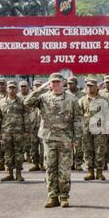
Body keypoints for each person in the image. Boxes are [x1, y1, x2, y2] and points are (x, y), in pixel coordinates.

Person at [24, 73, 82, 208]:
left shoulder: (72, 99)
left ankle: (64, 197)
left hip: (65, 139)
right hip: (49, 139)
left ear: (63, 83)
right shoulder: (43, 98)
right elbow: (27, 102)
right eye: (52, 82)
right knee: (50, 168)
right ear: (49, 84)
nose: (55, 84)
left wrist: (76, 138)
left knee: (64, 169)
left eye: (57, 81)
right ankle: (52, 196)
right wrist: (42, 88)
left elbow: (78, 120)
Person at [0, 81, 30, 182]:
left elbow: (26, 117)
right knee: (7, 154)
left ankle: (18, 174)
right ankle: (9, 173)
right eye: (10, 88)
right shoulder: (2, 102)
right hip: (6, 132)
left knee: (19, 153)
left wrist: (27, 131)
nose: (11, 90)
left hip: (19, 133)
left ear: (16, 89)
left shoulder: (21, 101)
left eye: (13, 88)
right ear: (7, 89)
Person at [79, 78, 108, 180]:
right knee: (87, 150)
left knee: (100, 150)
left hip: (99, 129)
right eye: (88, 86)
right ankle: (90, 172)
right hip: (86, 130)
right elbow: (79, 115)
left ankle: (99, 172)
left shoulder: (103, 100)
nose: (89, 87)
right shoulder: (82, 100)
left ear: (96, 87)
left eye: (91, 86)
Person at [67, 76, 85, 171]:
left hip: (78, 122)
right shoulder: (65, 94)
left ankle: (78, 163)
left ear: (76, 84)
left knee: (78, 144)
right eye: (68, 83)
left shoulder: (82, 94)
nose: (69, 85)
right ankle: (70, 163)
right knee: (68, 144)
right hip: (68, 123)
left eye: (71, 83)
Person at [28, 80, 45, 171]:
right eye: (36, 86)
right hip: (32, 126)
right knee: (33, 146)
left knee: (43, 147)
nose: (38, 87)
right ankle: (35, 164)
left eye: (39, 85)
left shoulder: (44, 97)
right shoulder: (30, 98)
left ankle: (42, 164)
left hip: (42, 126)